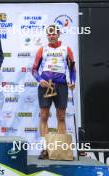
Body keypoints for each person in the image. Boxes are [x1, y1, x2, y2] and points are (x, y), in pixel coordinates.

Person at [32, 25, 76, 159]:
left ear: (59, 34)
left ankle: (60, 149)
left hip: (61, 85)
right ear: (47, 36)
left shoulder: (66, 49)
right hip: (45, 85)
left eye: (54, 34)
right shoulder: (42, 49)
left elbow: (72, 68)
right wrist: (39, 80)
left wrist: (73, 81)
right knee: (44, 116)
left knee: (61, 116)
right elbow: (34, 69)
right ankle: (46, 149)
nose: (51, 36)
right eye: (49, 34)